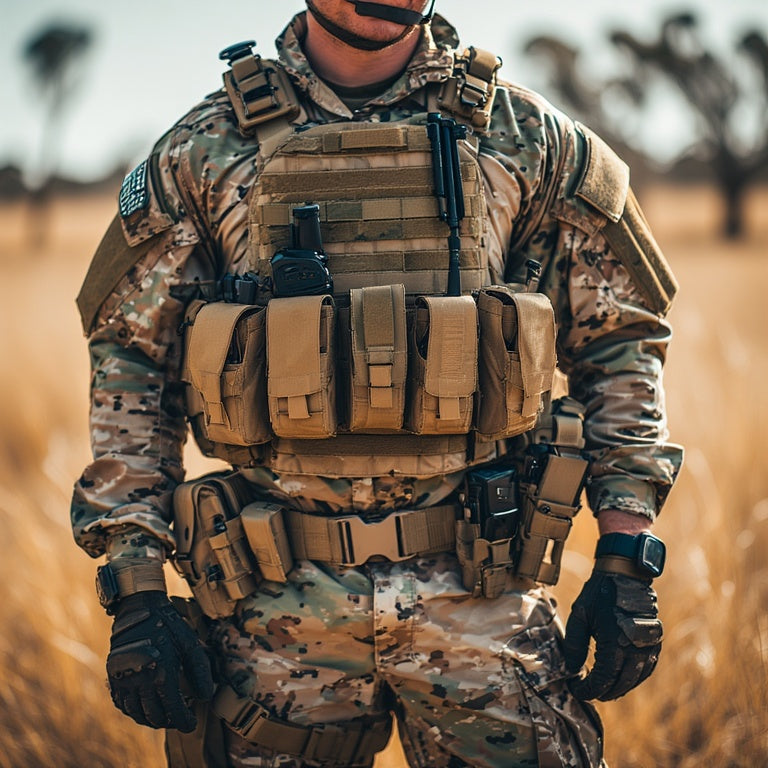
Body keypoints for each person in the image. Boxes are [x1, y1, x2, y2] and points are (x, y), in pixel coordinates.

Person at [73, 1, 683, 766]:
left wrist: (626, 552)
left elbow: (620, 341)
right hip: (268, 613)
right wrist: (135, 584)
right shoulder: (203, 150)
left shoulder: (528, 138)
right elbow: (132, 363)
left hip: (486, 595)